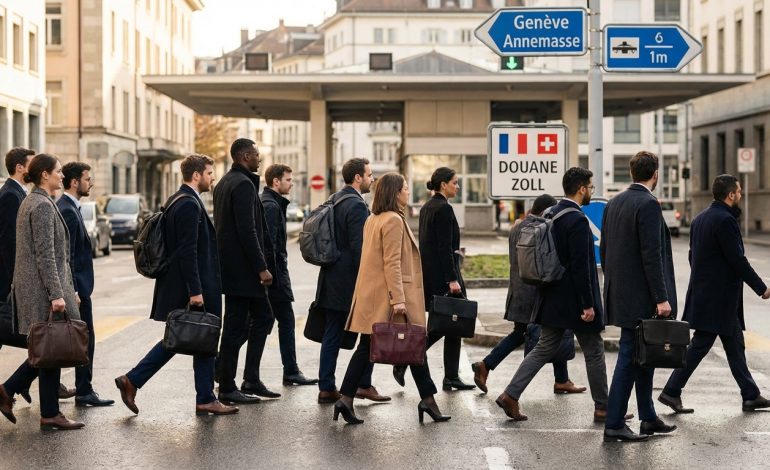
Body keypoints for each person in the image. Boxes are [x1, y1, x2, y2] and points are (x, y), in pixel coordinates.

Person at [114, 154, 237, 417]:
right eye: (209, 173)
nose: (212, 177)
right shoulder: (188, 205)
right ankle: (135, 380)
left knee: (195, 339)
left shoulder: (181, 200)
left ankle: (200, 396)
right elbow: (187, 251)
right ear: (196, 176)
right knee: (190, 337)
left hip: (191, 284)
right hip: (192, 287)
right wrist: (196, 292)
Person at [494, 168, 610, 423]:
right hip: (574, 301)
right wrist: (588, 304)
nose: (591, 191)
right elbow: (581, 267)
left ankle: (510, 394)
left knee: (543, 347)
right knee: (593, 350)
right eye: (590, 187)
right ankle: (603, 408)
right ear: (581, 189)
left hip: (549, 296)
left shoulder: (550, 213)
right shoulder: (577, 220)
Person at [333, 173, 449, 425]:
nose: (409, 192)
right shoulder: (394, 221)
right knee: (412, 344)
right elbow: (392, 263)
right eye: (406, 188)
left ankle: (346, 399)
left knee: (374, 348)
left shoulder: (373, 219)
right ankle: (427, 400)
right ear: (395, 193)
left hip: (373, 296)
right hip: (389, 298)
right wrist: (398, 299)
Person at [660, 175, 770, 413]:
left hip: (709, 295)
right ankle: (671, 391)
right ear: (730, 195)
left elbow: (693, 256)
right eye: (739, 192)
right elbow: (737, 260)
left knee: (734, 345)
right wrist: (761, 287)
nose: (740, 195)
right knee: (701, 345)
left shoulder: (700, 219)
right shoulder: (725, 221)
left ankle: (750, 394)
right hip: (719, 299)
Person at [472, 194, 586, 396]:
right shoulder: (540, 228)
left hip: (518, 291)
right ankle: (490, 368)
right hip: (533, 292)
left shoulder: (517, 227)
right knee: (554, 331)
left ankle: (560, 379)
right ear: (544, 212)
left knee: (526, 333)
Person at [0, 153, 83, 430]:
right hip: (41, 290)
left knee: (47, 349)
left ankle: (16, 394)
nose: (62, 175)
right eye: (58, 171)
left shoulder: (33, 200)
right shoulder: (42, 205)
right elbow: (46, 256)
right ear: (45, 175)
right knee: (51, 349)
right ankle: (48, 412)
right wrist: (58, 294)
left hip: (37, 287)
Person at [601, 151, 677, 442]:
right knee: (630, 358)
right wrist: (661, 297)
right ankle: (615, 422)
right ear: (654, 174)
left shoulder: (614, 203)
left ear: (632, 172)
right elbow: (651, 254)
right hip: (642, 297)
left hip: (620, 293)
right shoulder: (647, 204)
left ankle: (647, 418)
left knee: (646, 356)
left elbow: (605, 251)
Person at [315, 158, 389, 404]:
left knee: (332, 334)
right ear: (358, 177)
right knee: (368, 333)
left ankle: (327, 386)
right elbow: (362, 249)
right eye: (369, 175)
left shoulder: (335, 198)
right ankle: (363, 384)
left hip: (331, 277)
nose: (372, 179)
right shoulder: (356, 205)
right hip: (349, 281)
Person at [394, 167, 474, 391]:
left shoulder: (428, 207)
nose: (457, 186)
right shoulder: (444, 209)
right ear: (443, 185)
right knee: (447, 324)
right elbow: (443, 247)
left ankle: (450, 376)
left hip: (431, 274)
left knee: (451, 325)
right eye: (455, 182)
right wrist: (452, 279)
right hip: (445, 276)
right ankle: (406, 361)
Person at [213, 138, 277, 403]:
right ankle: (227, 384)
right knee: (237, 327)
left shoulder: (225, 182)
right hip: (244, 271)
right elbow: (247, 230)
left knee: (260, 319)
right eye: (256, 154)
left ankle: (247, 378)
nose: (259, 158)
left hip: (233, 268)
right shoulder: (242, 184)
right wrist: (261, 267)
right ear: (244, 156)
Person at [56, 162, 114, 407]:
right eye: (87, 179)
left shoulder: (73, 207)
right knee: (83, 339)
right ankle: (84, 391)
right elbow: (65, 254)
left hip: (78, 287)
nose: (91, 183)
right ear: (74, 182)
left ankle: (83, 389)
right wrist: (75, 290)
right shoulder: (67, 209)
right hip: (76, 289)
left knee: (78, 339)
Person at [260, 164, 317, 386]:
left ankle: (290, 370)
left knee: (267, 323)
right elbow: (271, 247)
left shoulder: (272, 203)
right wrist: (274, 278)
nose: (292, 183)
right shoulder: (271, 206)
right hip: (273, 279)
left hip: (273, 277)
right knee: (274, 323)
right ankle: (290, 371)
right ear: (276, 182)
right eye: (288, 179)